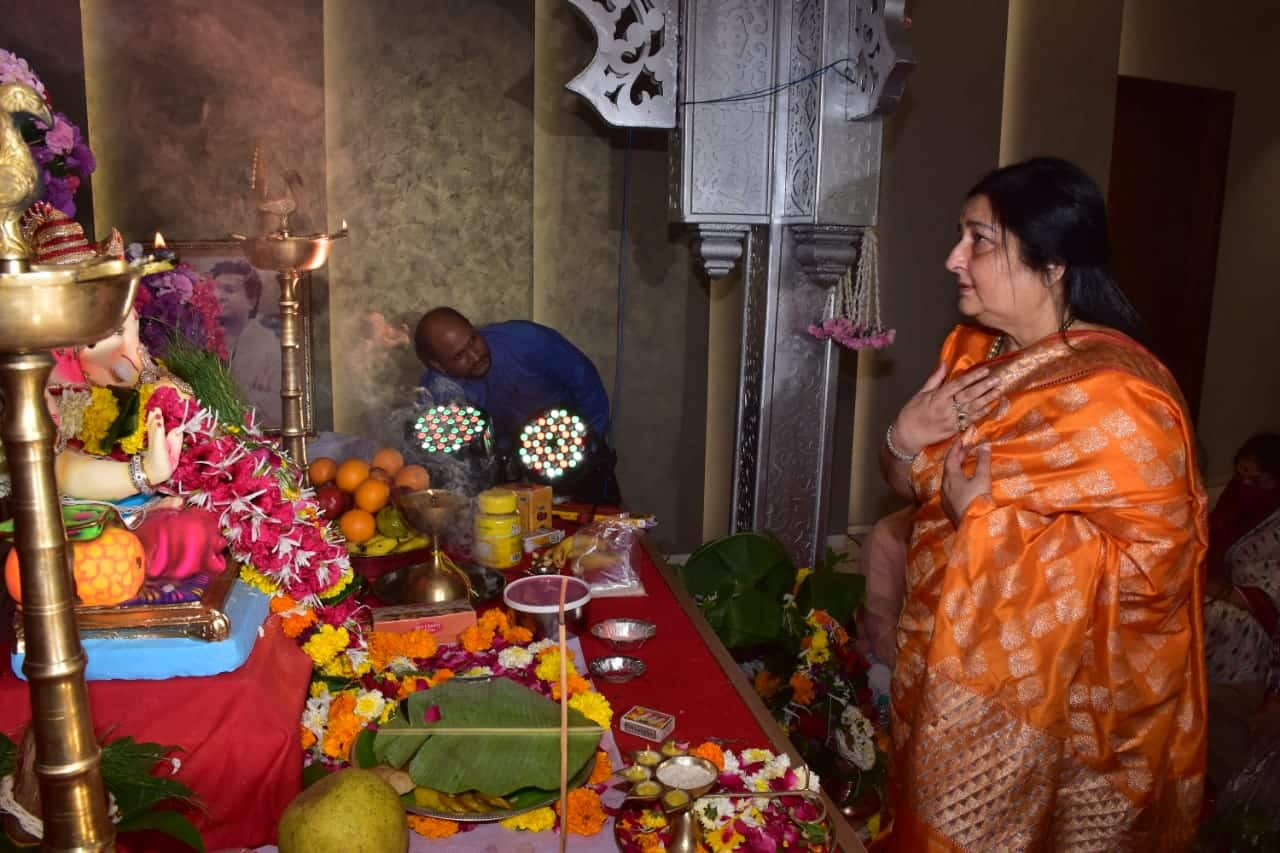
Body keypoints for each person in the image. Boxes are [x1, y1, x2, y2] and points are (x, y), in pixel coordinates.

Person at [880, 158, 1207, 849]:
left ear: (1053, 262)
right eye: (958, 237)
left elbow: (1161, 576)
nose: (952, 259)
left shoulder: (1123, 398)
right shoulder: (975, 356)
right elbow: (911, 483)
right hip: (944, 671)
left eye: (978, 240)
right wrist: (904, 435)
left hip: (1076, 724)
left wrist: (984, 523)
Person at [414, 307, 618, 502]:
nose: (475, 356)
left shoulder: (526, 340)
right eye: (459, 356)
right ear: (438, 366)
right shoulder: (435, 394)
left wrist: (590, 447)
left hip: (574, 460)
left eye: (473, 340)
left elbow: (586, 383)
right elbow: (436, 460)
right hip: (503, 484)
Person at [1203, 433, 1280, 787]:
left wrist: (1224, 592)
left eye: (1258, 481)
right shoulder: (1231, 505)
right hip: (1220, 625)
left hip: (1255, 643)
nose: (1245, 487)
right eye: (1241, 478)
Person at [213, 260, 281, 426]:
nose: (218, 296)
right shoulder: (199, 340)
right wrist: (250, 393)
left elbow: (277, 412)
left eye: (229, 290)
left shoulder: (270, 348)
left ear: (252, 300)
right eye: (214, 289)